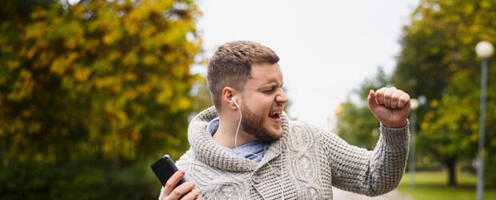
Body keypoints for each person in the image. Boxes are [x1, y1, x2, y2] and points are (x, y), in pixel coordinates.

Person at [159, 41, 411, 200]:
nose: (283, 97)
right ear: (230, 97)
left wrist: (393, 127)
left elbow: (374, 177)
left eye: (281, 87)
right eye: (269, 90)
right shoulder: (188, 177)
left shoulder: (309, 139)